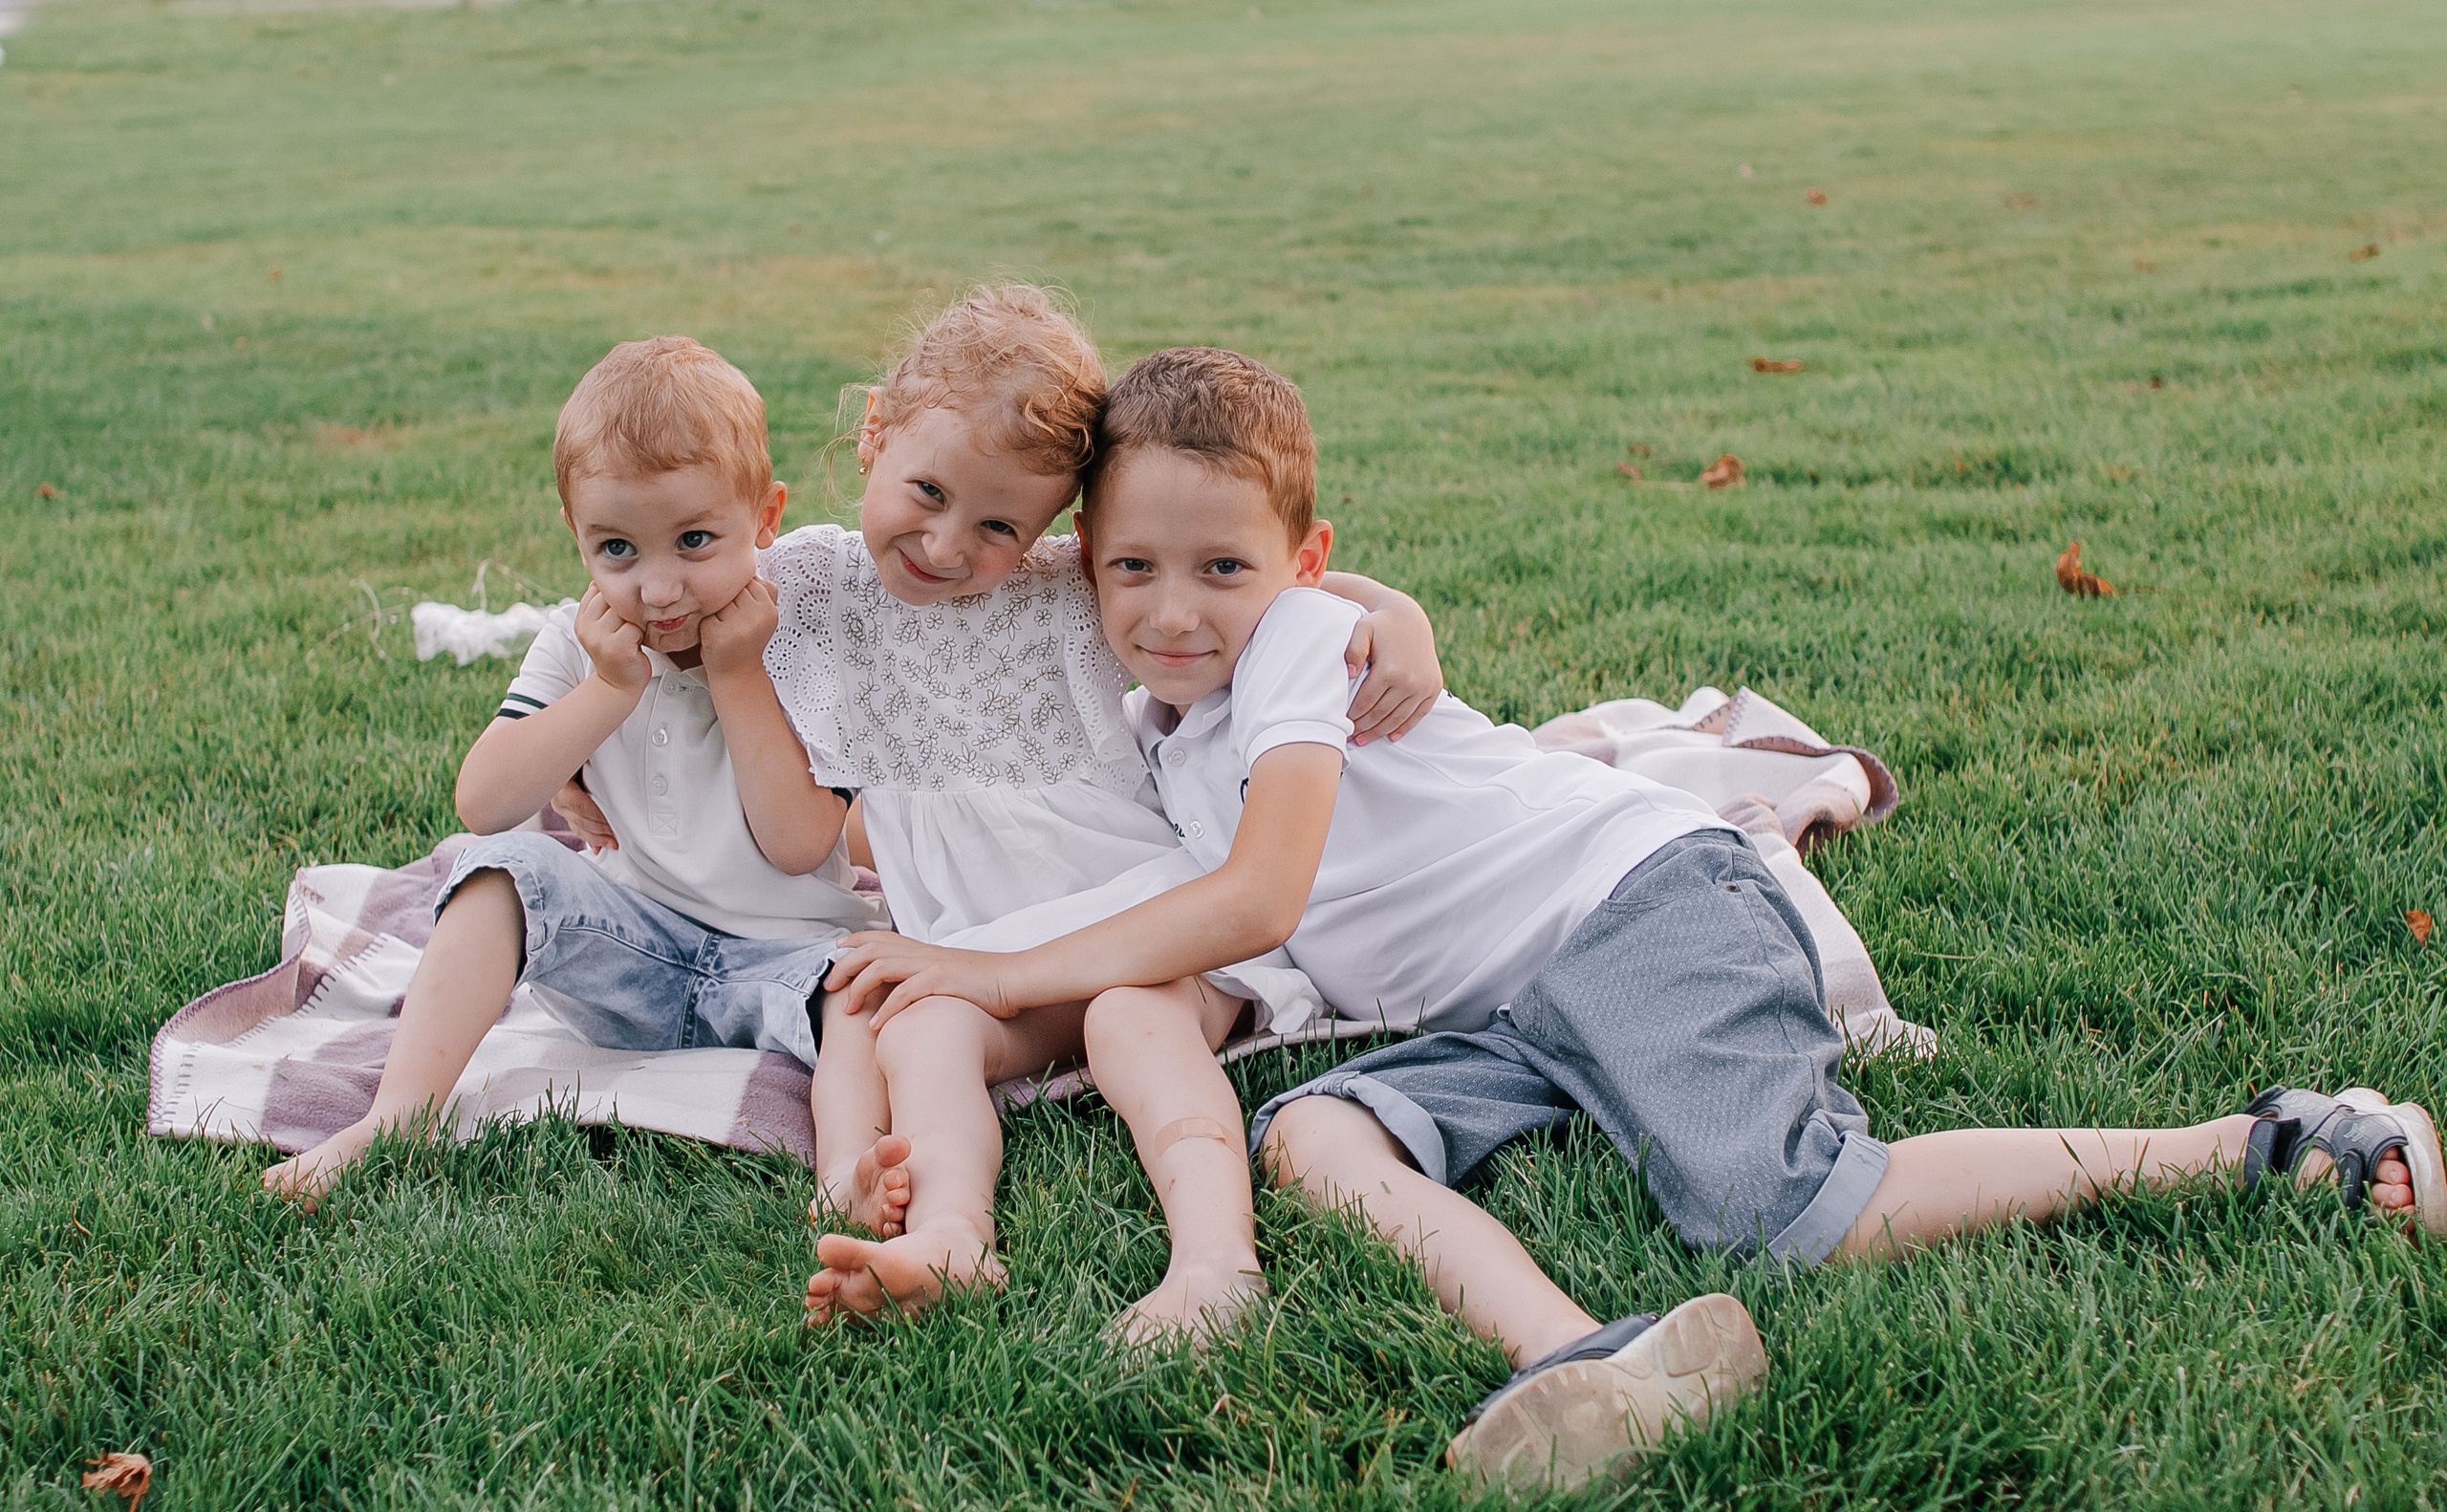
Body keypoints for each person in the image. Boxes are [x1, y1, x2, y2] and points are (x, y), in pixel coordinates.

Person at [823, 344, 2447, 1492]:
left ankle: (2274, 1134)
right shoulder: (1172, 715)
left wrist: (986, 969)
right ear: (1082, 572)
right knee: (1314, 1139)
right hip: (1511, 1007)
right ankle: (1582, 1352)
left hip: (1644, 907)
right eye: (1130, 574)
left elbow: (1258, 898)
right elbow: (893, 594)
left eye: (1220, 569)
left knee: (1787, 1211)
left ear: (1305, 563)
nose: (1172, 612)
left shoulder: (1302, 647)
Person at [732, 286, 1443, 1341]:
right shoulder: (809, 587)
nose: (945, 542)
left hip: (1148, 908)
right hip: (977, 941)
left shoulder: (1066, 582)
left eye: (996, 525)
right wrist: (578, 757)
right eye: (925, 490)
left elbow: (1265, 568)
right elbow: (673, 598)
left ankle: (1217, 1259)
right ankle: (951, 1234)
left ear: (1052, 527)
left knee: (1134, 1022)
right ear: (874, 428)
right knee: (920, 1027)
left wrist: (1398, 616)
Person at [264, 335, 882, 1207]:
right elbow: (483, 804)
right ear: (576, 537)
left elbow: (797, 844)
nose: (659, 588)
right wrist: (608, 690)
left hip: (788, 968)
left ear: (766, 517)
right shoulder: (580, 642)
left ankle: (846, 1173)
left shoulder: (807, 642)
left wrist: (738, 673)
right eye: (618, 550)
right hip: (630, 954)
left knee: (867, 992)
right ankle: (397, 1116)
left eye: (695, 541)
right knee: (500, 872)